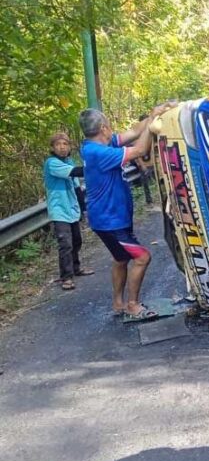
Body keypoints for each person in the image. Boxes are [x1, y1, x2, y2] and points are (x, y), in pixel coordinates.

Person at [78, 104, 173, 319]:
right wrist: (153, 127)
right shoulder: (99, 152)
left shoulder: (98, 144)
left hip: (110, 217)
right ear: (103, 128)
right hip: (110, 220)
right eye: (109, 125)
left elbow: (134, 132)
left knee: (121, 259)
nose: (111, 129)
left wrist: (152, 115)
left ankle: (118, 303)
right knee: (142, 257)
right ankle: (132, 305)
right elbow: (139, 149)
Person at [43, 132, 94, 290]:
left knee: (76, 240)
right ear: (52, 148)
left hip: (72, 208)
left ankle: (76, 268)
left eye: (65, 144)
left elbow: (77, 187)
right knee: (65, 244)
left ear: (69, 146)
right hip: (59, 209)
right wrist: (97, 164)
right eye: (58, 144)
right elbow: (75, 172)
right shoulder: (52, 163)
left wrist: (83, 209)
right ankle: (66, 277)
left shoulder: (69, 161)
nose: (62, 147)